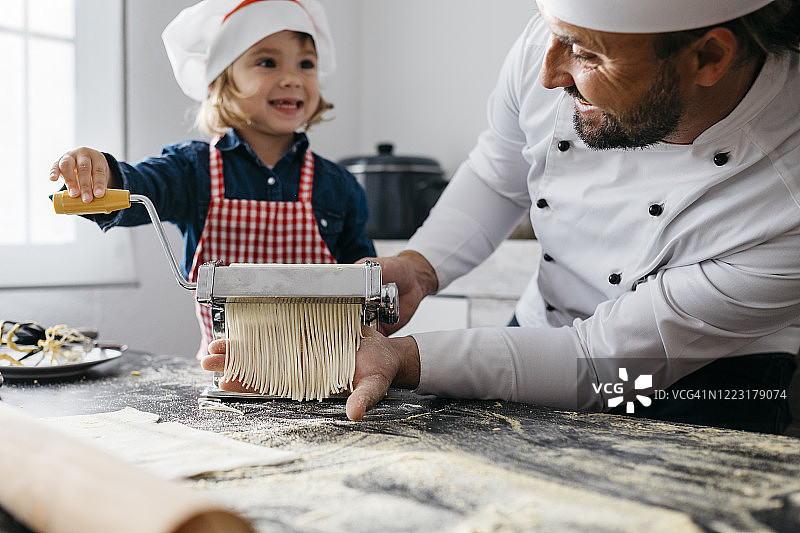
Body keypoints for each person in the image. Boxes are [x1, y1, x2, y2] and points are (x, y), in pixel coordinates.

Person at [205, 0, 800, 434]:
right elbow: (497, 172)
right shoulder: (557, 42)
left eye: (587, 54)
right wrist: (421, 265)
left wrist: (406, 358)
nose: (549, 73)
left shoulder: (786, 197)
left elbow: (602, 358)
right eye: (555, 35)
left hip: (710, 385)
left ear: (710, 55)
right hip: (540, 330)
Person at [49, 0, 375, 358]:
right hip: (226, 372)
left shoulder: (340, 185)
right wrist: (96, 173)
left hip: (323, 372)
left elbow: (366, 283)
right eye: (268, 62)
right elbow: (135, 188)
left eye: (306, 64)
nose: (293, 78)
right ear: (223, 79)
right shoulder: (193, 170)